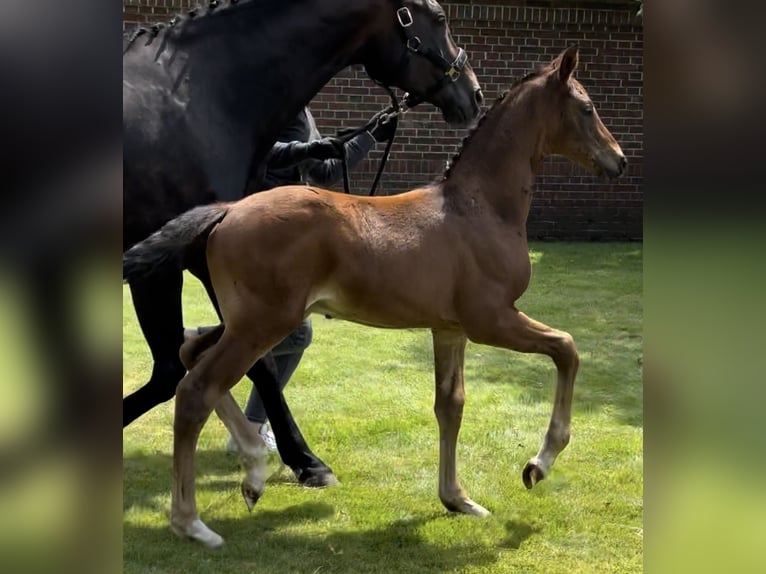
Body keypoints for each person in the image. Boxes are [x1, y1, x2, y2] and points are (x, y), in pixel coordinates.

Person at [186, 106, 395, 453]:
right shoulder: (280, 109)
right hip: (264, 236)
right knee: (294, 331)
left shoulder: (299, 109)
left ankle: (248, 420)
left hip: (277, 236)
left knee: (294, 332)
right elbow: (281, 159)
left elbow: (324, 169)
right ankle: (200, 347)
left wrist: (368, 135)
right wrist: (350, 140)